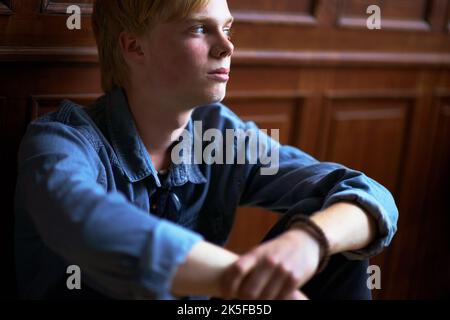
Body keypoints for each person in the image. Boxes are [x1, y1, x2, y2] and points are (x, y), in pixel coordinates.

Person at [14, 0, 398, 300]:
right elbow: (85, 221)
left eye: (227, 28)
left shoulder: (218, 132)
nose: (227, 46)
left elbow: (366, 193)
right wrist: (245, 281)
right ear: (134, 46)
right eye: (199, 28)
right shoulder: (61, 141)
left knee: (334, 234)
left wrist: (308, 242)